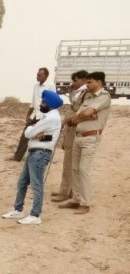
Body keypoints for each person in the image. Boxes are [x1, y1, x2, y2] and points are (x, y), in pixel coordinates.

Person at [1, 89, 63, 225]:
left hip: (40, 154)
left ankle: (35, 215)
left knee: (36, 185)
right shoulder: (49, 117)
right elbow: (49, 137)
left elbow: (28, 133)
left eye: (42, 102)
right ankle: (18, 210)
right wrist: (36, 134)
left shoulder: (51, 118)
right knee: (22, 182)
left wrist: (33, 132)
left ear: (49, 103)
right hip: (35, 152)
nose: (40, 104)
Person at [58, 72, 111, 215]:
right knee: (75, 168)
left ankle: (86, 203)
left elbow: (86, 113)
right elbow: (76, 117)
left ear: (99, 82)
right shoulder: (88, 97)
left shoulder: (104, 97)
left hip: (90, 138)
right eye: (86, 82)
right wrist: (86, 116)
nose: (87, 85)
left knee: (83, 170)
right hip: (78, 136)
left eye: (90, 82)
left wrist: (85, 115)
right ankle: (76, 199)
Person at [51, 71, 89, 203]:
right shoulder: (80, 93)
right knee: (70, 161)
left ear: (84, 80)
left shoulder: (85, 94)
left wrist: (67, 121)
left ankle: (65, 191)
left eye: (76, 80)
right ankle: (69, 190)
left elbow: (76, 111)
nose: (74, 83)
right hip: (72, 129)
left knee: (69, 162)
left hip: (75, 129)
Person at [9, 68, 55, 162]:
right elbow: (33, 101)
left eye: (39, 75)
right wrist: (28, 113)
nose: (37, 76)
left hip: (44, 115)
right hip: (35, 114)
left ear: (45, 76)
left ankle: (47, 156)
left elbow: (53, 101)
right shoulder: (35, 86)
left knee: (44, 136)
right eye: (37, 74)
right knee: (25, 134)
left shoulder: (50, 85)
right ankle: (17, 156)